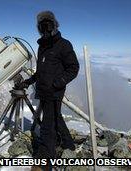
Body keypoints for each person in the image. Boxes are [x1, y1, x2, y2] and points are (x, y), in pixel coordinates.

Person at [19, 10, 79, 161]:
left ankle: (45, 159)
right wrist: (29, 81)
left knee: (47, 126)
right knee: (55, 118)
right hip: (43, 91)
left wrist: (58, 83)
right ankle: (68, 144)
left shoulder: (63, 45)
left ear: (54, 25)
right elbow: (40, 71)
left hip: (54, 92)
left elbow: (73, 68)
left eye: (48, 25)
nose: (45, 29)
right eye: (42, 26)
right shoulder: (42, 47)